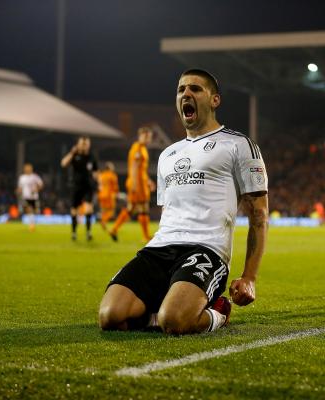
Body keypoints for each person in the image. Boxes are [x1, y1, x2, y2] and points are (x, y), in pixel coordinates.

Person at [99, 69, 269, 334]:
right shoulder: (167, 154)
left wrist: (249, 277)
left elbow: (259, 215)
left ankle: (219, 311)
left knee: (175, 323)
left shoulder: (238, 145)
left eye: (195, 89)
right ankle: (168, 305)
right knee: (110, 318)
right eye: (181, 90)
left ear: (215, 100)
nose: (186, 94)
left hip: (205, 250)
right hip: (159, 249)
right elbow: (168, 211)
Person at [109, 127, 153, 242]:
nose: (148, 139)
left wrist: (148, 180)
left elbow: (141, 169)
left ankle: (114, 229)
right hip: (137, 184)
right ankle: (146, 236)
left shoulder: (142, 148)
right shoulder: (137, 148)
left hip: (141, 182)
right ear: (140, 136)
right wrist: (134, 184)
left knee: (131, 208)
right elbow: (134, 167)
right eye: (146, 136)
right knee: (143, 207)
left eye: (149, 137)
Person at [60, 136, 98, 241]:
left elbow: (95, 172)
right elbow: (63, 163)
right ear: (78, 144)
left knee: (88, 209)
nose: (84, 146)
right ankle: (74, 233)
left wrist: (98, 182)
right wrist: (72, 153)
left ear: (89, 145)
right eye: (82, 144)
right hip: (76, 186)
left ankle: (88, 233)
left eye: (86, 144)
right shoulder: (74, 155)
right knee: (74, 210)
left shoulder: (92, 157)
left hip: (88, 187)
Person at [16, 163, 44, 231]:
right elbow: (20, 187)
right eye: (26, 168)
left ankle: (32, 223)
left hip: (34, 197)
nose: (27, 169)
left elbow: (41, 185)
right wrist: (18, 191)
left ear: (31, 169)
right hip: (26, 197)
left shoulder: (35, 177)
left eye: (28, 168)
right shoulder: (22, 177)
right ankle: (31, 225)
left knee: (35, 211)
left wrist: (36, 189)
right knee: (28, 210)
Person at [97, 162, 119, 231]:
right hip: (109, 195)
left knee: (103, 210)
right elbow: (115, 187)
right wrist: (116, 194)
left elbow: (99, 186)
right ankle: (103, 221)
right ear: (110, 168)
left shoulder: (101, 175)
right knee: (111, 211)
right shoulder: (112, 175)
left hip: (101, 195)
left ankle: (102, 219)